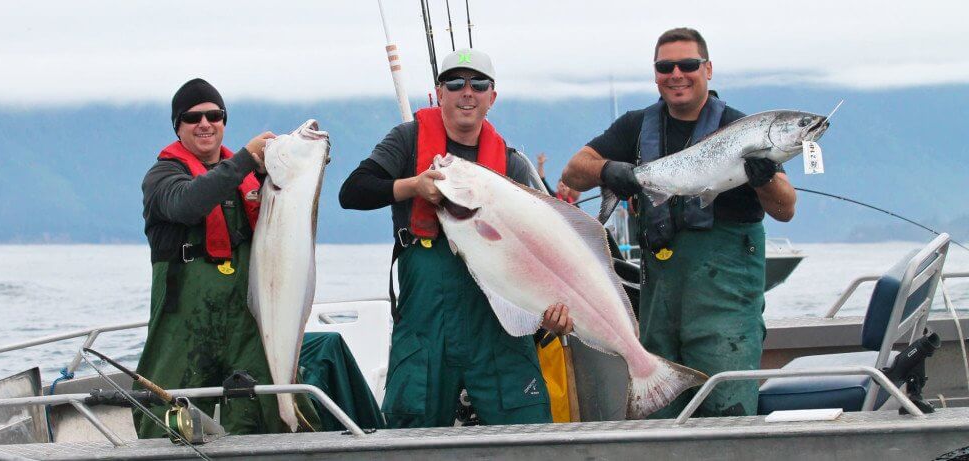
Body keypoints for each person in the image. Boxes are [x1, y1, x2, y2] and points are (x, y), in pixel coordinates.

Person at [560, 28, 796, 418]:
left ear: (708, 69)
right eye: (665, 66)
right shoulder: (635, 127)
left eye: (687, 65)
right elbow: (574, 171)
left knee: (727, 417)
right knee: (660, 421)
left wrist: (764, 176)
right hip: (660, 304)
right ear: (655, 74)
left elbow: (786, 208)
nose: (676, 74)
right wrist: (611, 170)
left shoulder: (745, 129)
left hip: (726, 306)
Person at [339, 48, 572, 428]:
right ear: (439, 92)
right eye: (455, 82)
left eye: (478, 84)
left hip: (498, 324)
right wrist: (412, 186)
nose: (467, 91)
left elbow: (545, 247)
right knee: (410, 429)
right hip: (425, 319)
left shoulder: (512, 164)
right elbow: (352, 192)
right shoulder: (407, 140)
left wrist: (557, 307)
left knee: (527, 431)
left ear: (491, 97)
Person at [135, 78, 283, 437]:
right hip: (184, 322)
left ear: (223, 121)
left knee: (263, 407)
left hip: (245, 321)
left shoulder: (253, 178)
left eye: (214, 115)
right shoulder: (163, 177)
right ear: (178, 126)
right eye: (193, 117)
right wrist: (247, 158)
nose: (205, 123)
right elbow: (190, 203)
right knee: (168, 414)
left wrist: (286, 167)